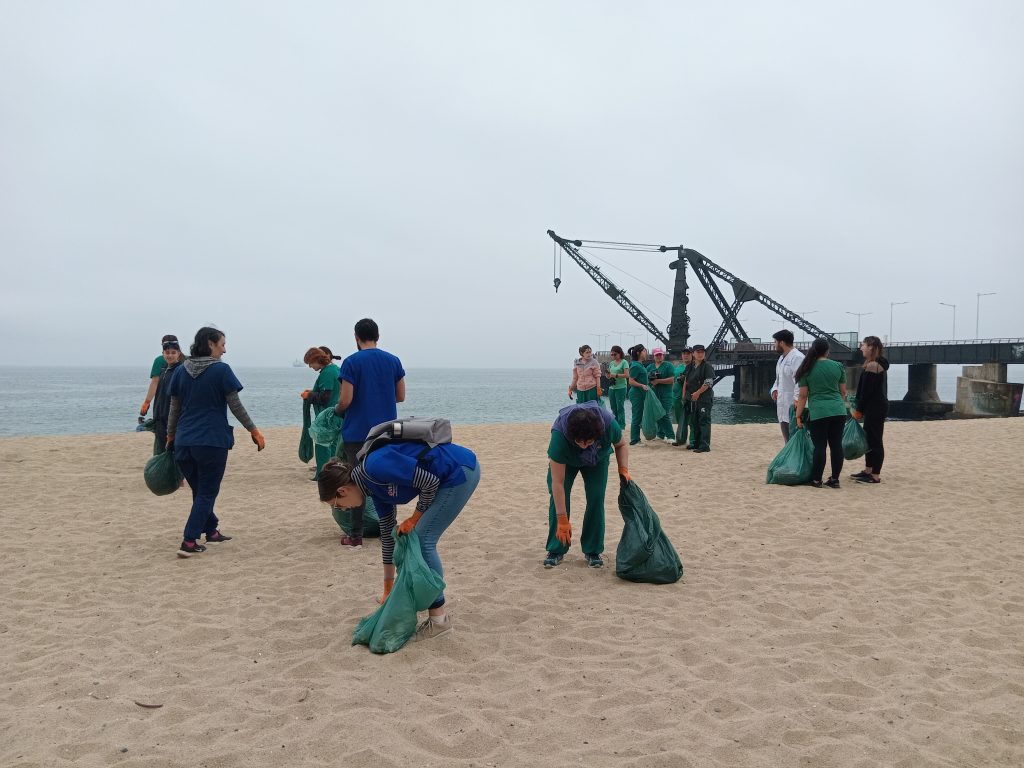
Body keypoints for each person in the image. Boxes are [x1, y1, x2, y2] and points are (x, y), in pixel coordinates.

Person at [318, 440, 480, 642]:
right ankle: (437, 615)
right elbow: (387, 536)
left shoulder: (375, 466)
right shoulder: (372, 489)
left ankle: (439, 622)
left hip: (460, 470)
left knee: (422, 540)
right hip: (450, 474)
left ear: (342, 491)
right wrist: (387, 588)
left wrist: (414, 519)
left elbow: (429, 482)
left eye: (337, 505)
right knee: (417, 539)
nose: (342, 509)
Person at [167, 327, 265, 557]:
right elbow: (235, 405)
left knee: (200, 490)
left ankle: (211, 530)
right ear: (210, 344)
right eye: (222, 344)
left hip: (183, 442)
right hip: (211, 441)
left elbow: (174, 408)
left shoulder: (181, 371)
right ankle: (189, 541)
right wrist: (253, 430)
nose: (225, 349)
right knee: (207, 492)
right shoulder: (221, 370)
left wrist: (170, 435)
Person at [333, 318, 406, 548]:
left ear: (356, 337)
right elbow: (400, 396)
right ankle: (390, 530)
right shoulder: (393, 361)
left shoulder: (351, 362)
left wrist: (336, 410)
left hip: (357, 433)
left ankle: (355, 536)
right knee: (387, 479)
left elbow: (346, 400)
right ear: (378, 336)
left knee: (357, 482)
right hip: (386, 432)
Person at [543, 401, 630, 570]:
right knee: (558, 499)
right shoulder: (560, 436)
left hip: (597, 460)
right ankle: (556, 549)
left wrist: (623, 469)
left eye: (588, 441)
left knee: (596, 498)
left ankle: (593, 550)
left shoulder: (608, 424)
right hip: (567, 461)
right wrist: (562, 520)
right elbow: (558, 483)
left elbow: (621, 445)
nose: (584, 445)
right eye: (580, 442)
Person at [794, 337, 848, 488]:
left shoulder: (807, 369)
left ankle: (817, 480)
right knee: (836, 445)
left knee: (820, 446)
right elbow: (843, 392)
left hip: (819, 412)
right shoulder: (838, 366)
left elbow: (803, 396)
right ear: (827, 351)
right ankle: (835, 480)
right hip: (839, 411)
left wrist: (798, 416)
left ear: (813, 350)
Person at [850, 335, 889, 484]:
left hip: (876, 407)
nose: (861, 348)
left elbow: (867, 392)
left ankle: (875, 475)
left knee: (875, 440)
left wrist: (859, 409)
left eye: (863, 345)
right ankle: (868, 470)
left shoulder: (873, 366)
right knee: (870, 438)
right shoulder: (874, 363)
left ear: (871, 347)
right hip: (876, 406)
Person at [301, 347, 341, 480]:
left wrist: (309, 395)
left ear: (316, 360)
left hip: (327, 416)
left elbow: (325, 397)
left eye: (310, 363)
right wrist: (312, 392)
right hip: (336, 414)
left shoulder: (327, 373)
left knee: (322, 445)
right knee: (333, 445)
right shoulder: (334, 369)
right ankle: (332, 473)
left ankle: (322, 475)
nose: (310, 366)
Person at [150, 338, 185, 455]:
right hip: (160, 417)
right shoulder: (164, 371)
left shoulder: (180, 371)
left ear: (178, 354)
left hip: (173, 420)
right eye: (167, 353)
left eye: (173, 353)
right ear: (163, 354)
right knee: (162, 451)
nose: (170, 356)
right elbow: (158, 393)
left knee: (174, 452)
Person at [770, 330, 806, 442]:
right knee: (786, 434)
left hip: (793, 403)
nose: (774, 345)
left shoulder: (797, 357)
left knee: (795, 435)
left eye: (775, 342)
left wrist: (796, 400)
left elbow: (800, 382)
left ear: (782, 343)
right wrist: (774, 389)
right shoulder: (781, 358)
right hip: (782, 402)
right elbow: (778, 378)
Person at [139, 334, 178, 426]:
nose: (170, 355)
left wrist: (146, 403)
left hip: (163, 402)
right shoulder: (187, 360)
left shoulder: (160, 360)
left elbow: (155, 383)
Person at [682, 344, 715, 452]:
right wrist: (684, 396)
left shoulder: (707, 366)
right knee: (694, 421)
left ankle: (704, 445)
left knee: (704, 421)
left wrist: (698, 393)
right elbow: (685, 380)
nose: (700, 354)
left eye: (702, 352)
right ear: (693, 354)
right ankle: (696, 443)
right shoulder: (690, 367)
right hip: (692, 399)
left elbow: (709, 382)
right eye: (698, 352)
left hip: (704, 399)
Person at [647, 347, 676, 443]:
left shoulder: (668, 366)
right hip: (654, 395)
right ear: (653, 356)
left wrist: (658, 381)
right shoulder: (650, 367)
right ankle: (660, 434)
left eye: (660, 354)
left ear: (663, 355)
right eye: (657, 355)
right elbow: (646, 379)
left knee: (664, 414)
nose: (659, 356)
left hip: (666, 394)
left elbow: (672, 379)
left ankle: (671, 436)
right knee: (657, 414)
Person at [626, 345, 650, 446]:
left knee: (639, 415)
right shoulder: (635, 365)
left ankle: (636, 438)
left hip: (640, 393)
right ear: (638, 353)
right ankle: (635, 440)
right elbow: (631, 381)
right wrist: (642, 385)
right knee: (637, 416)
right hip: (636, 394)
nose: (646, 353)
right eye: (644, 351)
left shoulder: (640, 365)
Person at [671, 347, 694, 447]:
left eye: (688, 354)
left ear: (692, 355)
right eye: (684, 354)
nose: (686, 355)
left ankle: (692, 441)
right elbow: (674, 380)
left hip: (689, 397)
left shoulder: (694, 367)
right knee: (680, 419)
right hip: (677, 397)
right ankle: (680, 439)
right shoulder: (678, 367)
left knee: (691, 420)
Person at [606, 345, 629, 429]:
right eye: (611, 354)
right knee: (613, 407)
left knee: (620, 407)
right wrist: (608, 375)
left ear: (620, 353)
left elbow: (627, 375)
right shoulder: (611, 363)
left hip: (621, 388)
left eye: (615, 354)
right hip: (612, 388)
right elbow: (609, 375)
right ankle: (615, 424)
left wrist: (615, 375)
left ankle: (622, 425)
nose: (613, 356)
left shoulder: (624, 362)